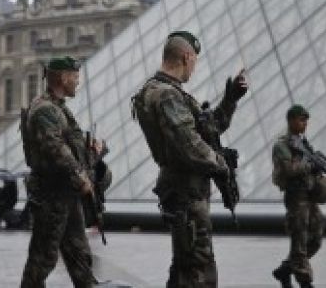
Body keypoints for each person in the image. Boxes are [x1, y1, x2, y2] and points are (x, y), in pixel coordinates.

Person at [131, 31, 248, 287]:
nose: (194, 68)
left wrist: (229, 101)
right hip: (187, 193)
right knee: (199, 272)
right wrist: (221, 165)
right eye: (195, 60)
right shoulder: (167, 95)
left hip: (181, 191)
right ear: (186, 57)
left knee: (184, 267)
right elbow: (190, 147)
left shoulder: (162, 92)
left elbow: (207, 130)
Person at [19, 56, 110, 288]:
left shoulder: (58, 109)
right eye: (75, 77)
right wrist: (81, 178)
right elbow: (55, 148)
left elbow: (67, 147)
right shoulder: (44, 110)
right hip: (51, 196)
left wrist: (91, 151)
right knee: (42, 260)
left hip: (66, 195)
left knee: (80, 254)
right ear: (62, 77)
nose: (78, 82)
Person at [270, 105, 326, 288]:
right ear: (291, 120)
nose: (305, 124)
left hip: (309, 196)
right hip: (296, 197)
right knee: (299, 239)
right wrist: (309, 166)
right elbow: (288, 169)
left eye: (306, 120)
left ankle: (286, 270)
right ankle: (305, 282)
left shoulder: (303, 144)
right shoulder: (282, 145)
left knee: (316, 237)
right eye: (301, 120)